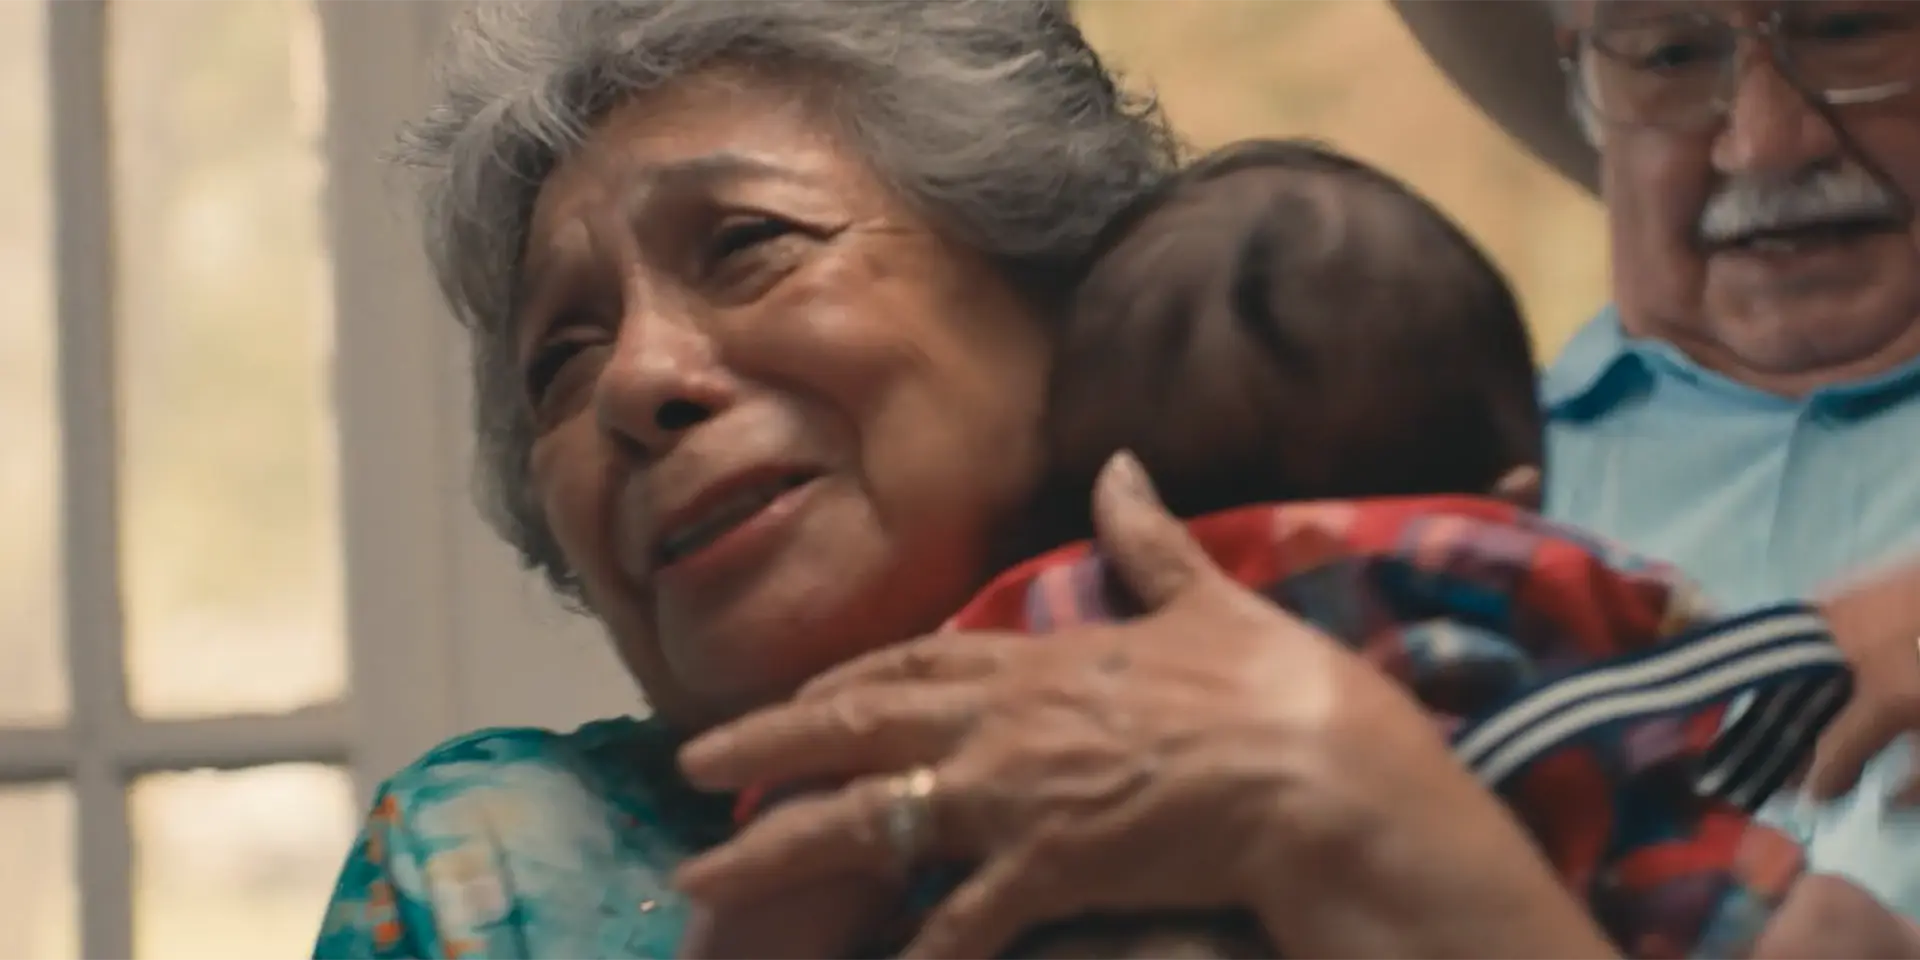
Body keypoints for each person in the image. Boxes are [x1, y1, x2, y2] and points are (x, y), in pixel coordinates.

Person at [313, 1, 1919, 959]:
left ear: (1067, 298)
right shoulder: (498, 863)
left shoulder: (1440, 663)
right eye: (559, 361)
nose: (642, 384)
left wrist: (1374, 821)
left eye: (746, 245)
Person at [697, 137, 1865, 960]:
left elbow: (811, 845)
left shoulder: (1026, 625)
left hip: (1074, 914)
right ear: (1516, 491)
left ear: (1088, 500)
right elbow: (1692, 700)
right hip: (1549, 867)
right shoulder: (1520, 562)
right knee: (1816, 920)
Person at [1388, 0, 1920, 918]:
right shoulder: (1437, 505)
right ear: (1583, 86)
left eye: (1846, 30)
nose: (1764, 144)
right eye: (1671, 55)